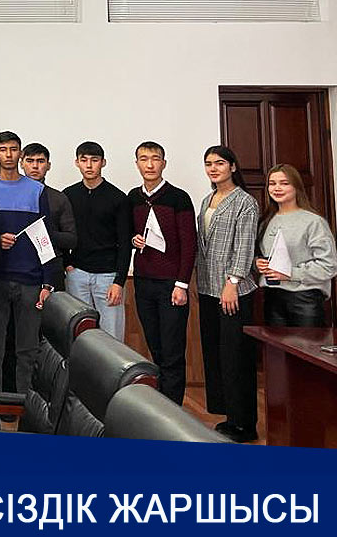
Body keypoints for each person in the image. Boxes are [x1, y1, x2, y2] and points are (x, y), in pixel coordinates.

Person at [0, 131, 58, 400]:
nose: (8, 154)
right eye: (3, 149)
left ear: (20, 154)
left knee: (28, 351)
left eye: (13, 149)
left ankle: (27, 408)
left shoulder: (37, 190)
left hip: (31, 282)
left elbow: (46, 239)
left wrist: (48, 281)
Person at [196, 145, 259, 443]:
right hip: (208, 289)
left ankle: (245, 424)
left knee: (237, 357)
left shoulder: (245, 202)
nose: (213, 168)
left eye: (219, 163)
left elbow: (245, 246)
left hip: (233, 291)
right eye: (209, 164)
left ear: (232, 167)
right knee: (217, 355)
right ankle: (230, 417)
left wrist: (232, 282)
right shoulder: (207, 200)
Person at [126, 142, 197, 405]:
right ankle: (161, 404)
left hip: (171, 284)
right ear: (137, 164)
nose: (150, 164)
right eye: (144, 159)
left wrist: (182, 284)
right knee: (155, 345)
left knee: (172, 349)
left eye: (155, 159)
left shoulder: (178, 197)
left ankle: (173, 408)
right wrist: (133, 239)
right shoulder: (133, 197)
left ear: (163, 163)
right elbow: (127, 232)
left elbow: (189, 244)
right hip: (144, 282)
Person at [62, 141, 132, 340]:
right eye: (84, 160)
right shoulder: (68, 195)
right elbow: (62, 232)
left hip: (108, 277)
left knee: (112, 337)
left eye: (94, 160)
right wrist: (67, 264)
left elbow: (125, 243)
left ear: (103, 162)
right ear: (77, 163)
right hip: (77, 274)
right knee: (79, 335)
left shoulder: (118, 198)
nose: (89, 165)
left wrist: (119, 281)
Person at [255, 163, 337, 327]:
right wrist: (257, 263)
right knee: (274, 345)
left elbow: (329, 266)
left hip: (305, 300)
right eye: (272, 183)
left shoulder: (313, 222)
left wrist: (290, 274)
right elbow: (260, 255)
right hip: (272, 298)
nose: (277, 188)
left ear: (296, 187)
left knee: (305, 344)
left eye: (284, 183)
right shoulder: (265, 221)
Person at [20, 143, 77, 270]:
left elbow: (71, 239)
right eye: (30, 161)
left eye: (40, 161)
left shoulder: (58, 198)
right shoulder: (10, 196)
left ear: (48, 165)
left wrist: (43, 234)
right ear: (21, 164)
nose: (35, 166)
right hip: (17, 265)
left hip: (51, 265)